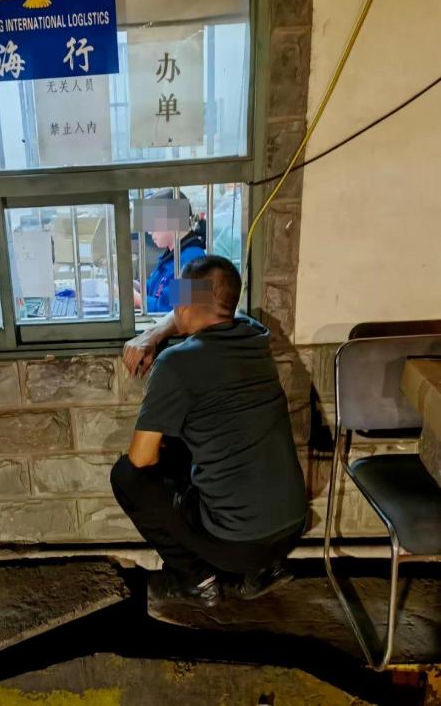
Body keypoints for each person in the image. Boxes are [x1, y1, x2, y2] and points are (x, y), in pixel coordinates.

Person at [111, 255, 307, 606]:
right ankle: (261, 571)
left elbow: (141, 459)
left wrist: (155, 339)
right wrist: (155, 333)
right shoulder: (254, 334)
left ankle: (196, 580)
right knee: (192, 445)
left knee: (127, 476)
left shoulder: (176, 364)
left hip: (238, 545)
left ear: (187, 304)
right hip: (292, 530)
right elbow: (194, 315)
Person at [135, 189, 205, 313]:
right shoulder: (173, 255)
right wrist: (136, 287)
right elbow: (155, 287)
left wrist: (137, 299)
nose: (149, 232)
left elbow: (174, 311)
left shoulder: (195, 263)